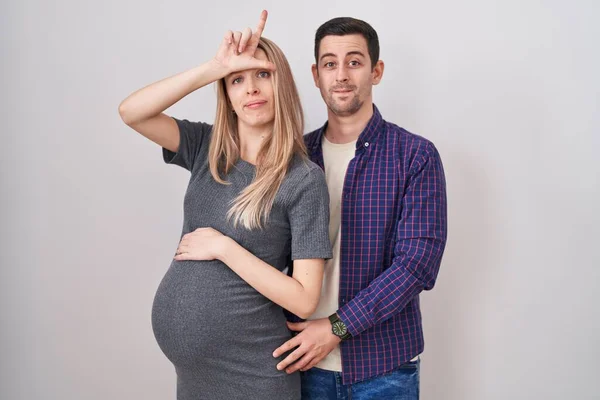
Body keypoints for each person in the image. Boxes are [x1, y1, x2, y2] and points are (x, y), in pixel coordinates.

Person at [118, 11, 331, 400]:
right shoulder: (206, 147)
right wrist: (214, 67)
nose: (251, 89)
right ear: (227, 95)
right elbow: (132, 112)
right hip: (196, 378)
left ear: (281, 84)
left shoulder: (303, 179)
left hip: (253, 372)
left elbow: (304, 297)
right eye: (238, 80)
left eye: (262, 75)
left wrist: (224, 248)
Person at [272, 17, 448, 399]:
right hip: (299, 364)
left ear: (376, 70)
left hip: (384, 367)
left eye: (354, 61)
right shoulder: (292, 158)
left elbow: (417, 265)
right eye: (330, 63)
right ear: (316, 75)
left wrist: (336, 327)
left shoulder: (415, 155)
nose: (341, 75)